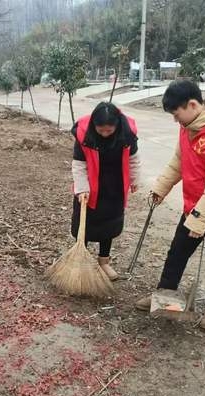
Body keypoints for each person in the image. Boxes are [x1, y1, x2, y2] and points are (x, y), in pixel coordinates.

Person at [135, 80, 205, 330]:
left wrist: (200, 221)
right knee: (177, 253)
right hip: (195, 205)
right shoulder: (190, 124)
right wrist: (161, 187)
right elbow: (180, 159)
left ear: (192, 104)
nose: (176, 121)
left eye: (177, 114)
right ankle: (165, 298)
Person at [71, 102, 140, 280]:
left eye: (109, 131)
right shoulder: (85, 134)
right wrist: (82, 189)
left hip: (114, 186)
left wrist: (134, 179)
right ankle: (81, 261)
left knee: (109, 226)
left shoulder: (127, 134)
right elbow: (79, 164)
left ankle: (104, 262)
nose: (104, 134)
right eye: (100, 130)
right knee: (83, 224)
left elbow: (133, 159)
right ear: (94, 125)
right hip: (90, 186)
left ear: (117, 125)